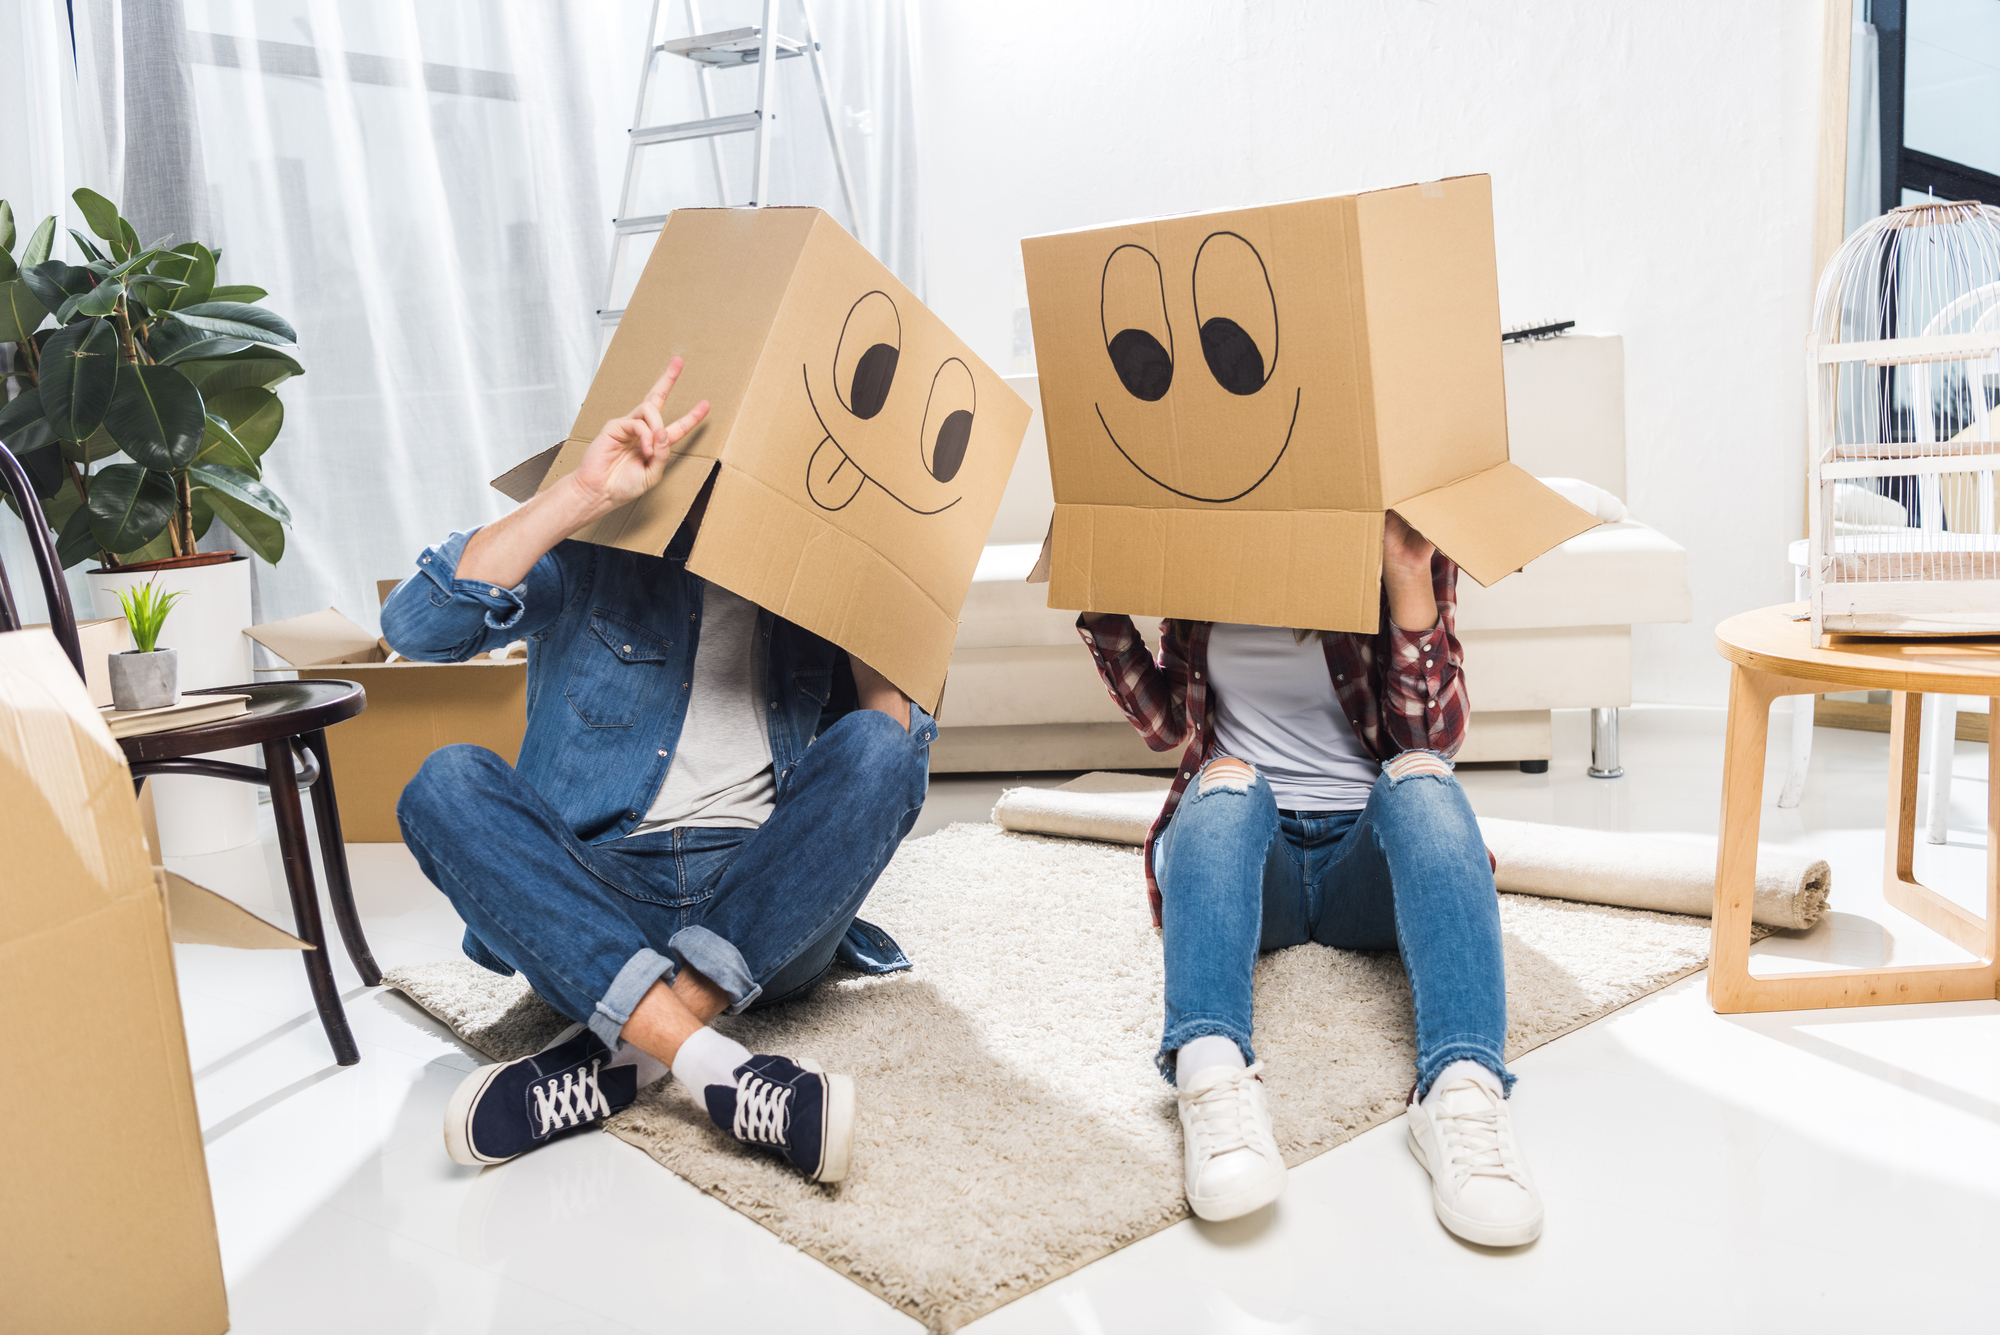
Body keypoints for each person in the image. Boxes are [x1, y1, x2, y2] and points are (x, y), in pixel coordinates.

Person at [383, 358, 934, 1182]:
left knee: (886, 748)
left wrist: (865, 586)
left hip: (764, 912)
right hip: (599, 891)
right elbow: (416, 626)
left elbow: (885, 765)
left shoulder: (815, 586)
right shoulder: (593, 555)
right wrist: (581, 497)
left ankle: (624, 1054)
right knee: (445, 783)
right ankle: (718, 1068)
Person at [1077, 512, 1541, 1245]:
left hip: (1366, 860)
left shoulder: (1403, 520)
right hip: (1248, 861)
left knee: (1422, 778)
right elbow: (1171, 730)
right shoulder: (1200, 519)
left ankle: (1461, 1088)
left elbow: (1433, 741)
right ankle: (1210, 1071)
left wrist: (1407, 575)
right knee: (1222, 775)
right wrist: (1097, 595)